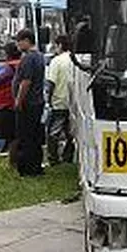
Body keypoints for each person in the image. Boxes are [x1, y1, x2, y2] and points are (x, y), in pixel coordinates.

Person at [13, 29, 46, 177]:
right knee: (35, 136)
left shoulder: (28, 59)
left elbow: (25, 82)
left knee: (25, 136)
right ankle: (36, 166)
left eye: (19, 41)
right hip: (37, 102)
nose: (17, 44)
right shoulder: (40, 57)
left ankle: (25, 168)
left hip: (28, 103)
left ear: (26, 41)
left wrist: (18, 101)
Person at [46, 35, 75, 165]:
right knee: (71, 132)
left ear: (60, 45)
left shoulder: (56, 61)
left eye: (56, 45)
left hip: (59, 101)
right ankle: (68, 156)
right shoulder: (75, 59)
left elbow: (51, 82)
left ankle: (53, 158)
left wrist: (48, 100)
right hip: (74, 103)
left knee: (53, 132)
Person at [0, 42, 22, 167]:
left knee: (11, 136)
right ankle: (12, 160)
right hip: (13, 103)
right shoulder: (21, 64)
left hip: (6, 105)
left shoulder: (10, 67)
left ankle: (12, 162)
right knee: (14, 135)